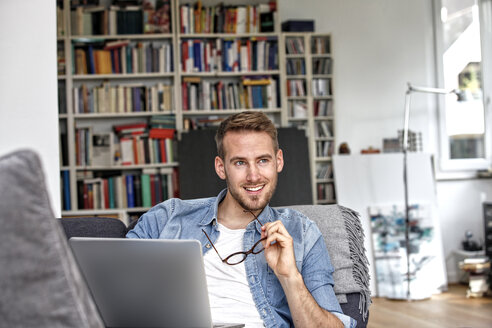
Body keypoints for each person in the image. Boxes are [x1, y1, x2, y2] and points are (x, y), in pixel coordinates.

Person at [127, 111, 355, 328]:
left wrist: (290, 277)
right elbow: (113, 290)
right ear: (221, 167)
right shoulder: (168, 218)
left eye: (263, 160)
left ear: (278, 161)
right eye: (240, 163)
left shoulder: (303, 233)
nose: (253, 176)